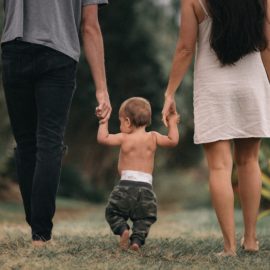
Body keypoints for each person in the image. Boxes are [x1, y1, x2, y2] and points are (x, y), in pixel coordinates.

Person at [162, 0, 270, 256]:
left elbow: (186, 48)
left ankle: (229, 246)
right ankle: (251, 240)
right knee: (249, 161)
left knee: (219, 167)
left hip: (214, 88)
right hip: (252, 85)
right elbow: (267, 42)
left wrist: (169, 93)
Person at [1, 0, 111, 247]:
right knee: (49, 142)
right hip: (59, 53)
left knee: (27, 144)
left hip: (14, 49)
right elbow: (90, 26)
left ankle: (37, 229)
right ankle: (40, 234)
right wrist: (102, 89)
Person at [97, 97, 180, 251]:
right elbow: (172, 140)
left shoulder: (124, 137)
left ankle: (123, 230)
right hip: (146, 189)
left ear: (127, 121)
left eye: (121, 121)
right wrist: (173, 121)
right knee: (144, 218)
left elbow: (103, 138)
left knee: (113, 212)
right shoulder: (153, 137)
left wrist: (103, 121)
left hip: (125, 187)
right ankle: (136, 241)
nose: (121, 125)